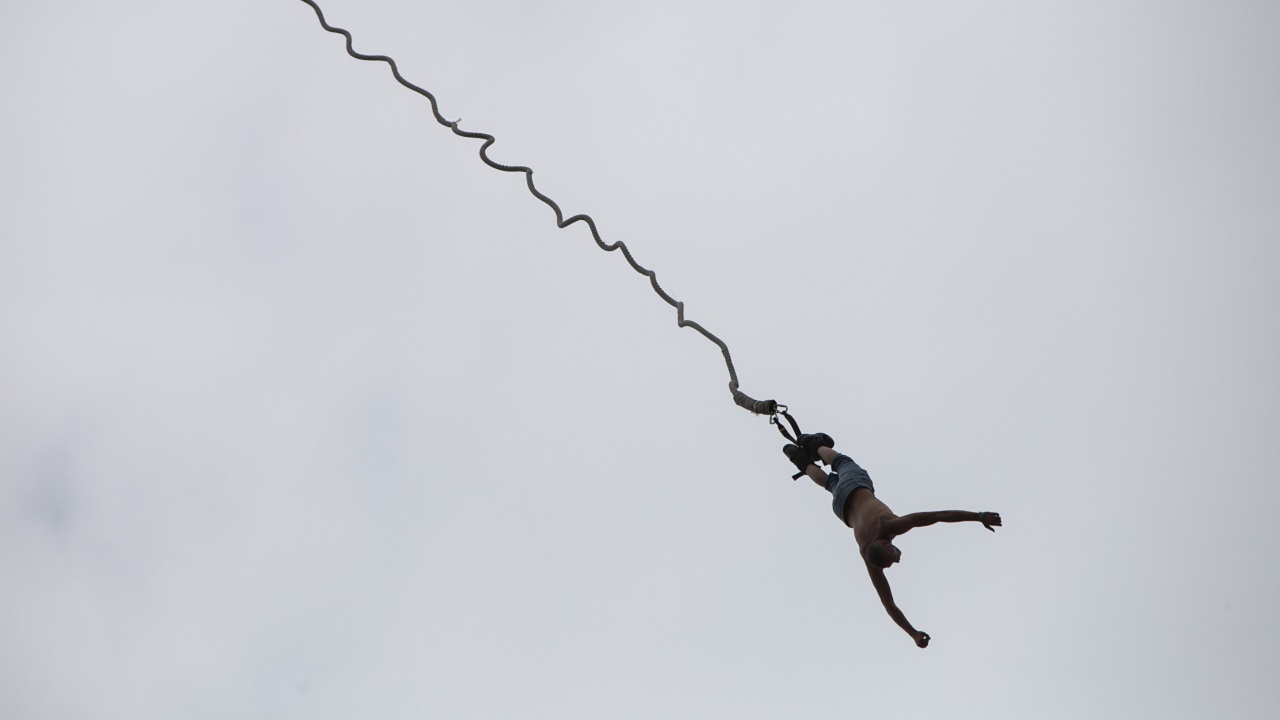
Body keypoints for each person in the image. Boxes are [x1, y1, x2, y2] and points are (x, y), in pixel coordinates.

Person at [784, 434, 1001, 648]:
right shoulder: (866, 553)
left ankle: (814, 444)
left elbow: (939, 516)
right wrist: (912, 633)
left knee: (842, 463)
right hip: (840, 508)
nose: (897, 560)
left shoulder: (889, 525)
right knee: (830, 484)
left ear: (886, 544)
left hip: (854, 485)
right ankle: (800, 459)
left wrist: (979, 516)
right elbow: (888, 604)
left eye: (892, 558)